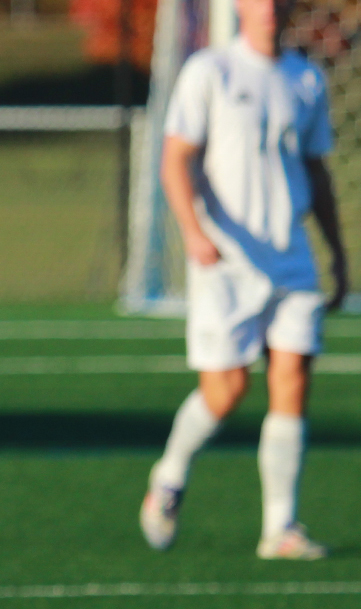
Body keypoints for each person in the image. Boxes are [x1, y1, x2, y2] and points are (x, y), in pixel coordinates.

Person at [139, 0, 348, 559]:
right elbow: (174, 158)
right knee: (227, 390)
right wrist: (192, 232)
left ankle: (280, 528)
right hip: (226, 261)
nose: (269, 9)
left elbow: (316, 170)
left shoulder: (306, 79)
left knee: (294, 376)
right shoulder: (210, 71)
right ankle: (169, 477)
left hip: (292, 257)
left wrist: (338, 252)